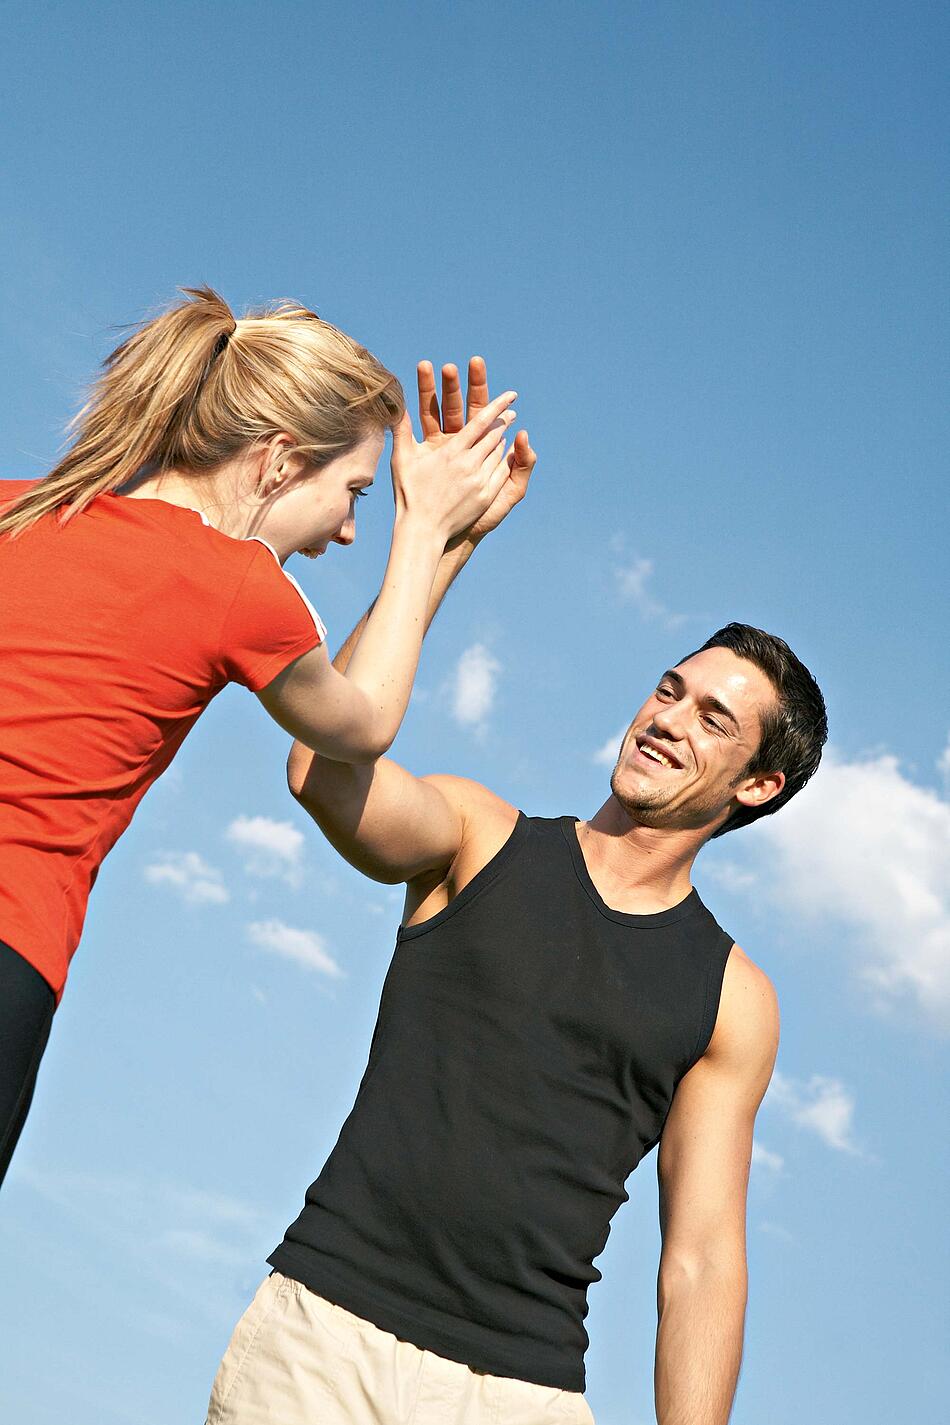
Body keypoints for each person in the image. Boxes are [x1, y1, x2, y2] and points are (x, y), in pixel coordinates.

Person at [204, 441, 827, 1423]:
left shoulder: (731, 1000)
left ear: (756, 786)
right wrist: (427, 536)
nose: (666, 719)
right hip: (322, 1337)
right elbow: (321, 772)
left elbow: (702, 1256)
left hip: (520, 1389)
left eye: (712, 719)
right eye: (668, 689)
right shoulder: (475, 834)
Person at [0, 284, 532, 1187]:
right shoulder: (237, 584)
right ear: (280, 460)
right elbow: (360, 728)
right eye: (355, 492)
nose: (350, 528)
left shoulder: (17, 506)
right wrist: (427, 529)